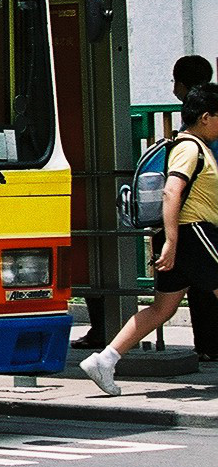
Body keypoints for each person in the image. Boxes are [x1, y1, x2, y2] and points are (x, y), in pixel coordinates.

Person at [79, 82, 218, 395]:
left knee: (161, 309)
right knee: (162, 308)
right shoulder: (190, 148)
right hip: (194, 233)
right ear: (206, 117)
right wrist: (172, 242)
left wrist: (170, 242)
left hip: (183, 238)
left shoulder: (192, 146)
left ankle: (104, 360)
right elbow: (171, 191)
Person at [173, 55, 217, 359]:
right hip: (201, 221)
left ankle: (208, 346)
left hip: (196, 219)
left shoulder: (194, 130)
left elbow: (172, 190)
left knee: (172, 301)